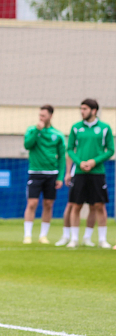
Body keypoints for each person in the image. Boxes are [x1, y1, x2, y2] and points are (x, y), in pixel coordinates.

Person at [66, 98, 114, 249]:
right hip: (79, 172)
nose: (82, 111)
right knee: (76, 205)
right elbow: (69, 149)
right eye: (81, 109)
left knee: (98, 205)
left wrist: (94, 161)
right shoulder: (76, 128)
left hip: (97, 172)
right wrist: (79, 162)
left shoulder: (105, 128)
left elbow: (110, 150)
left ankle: (99, 239)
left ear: (94, 111)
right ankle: (74, 239)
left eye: (85, 109)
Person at [22, 105, 65, 244]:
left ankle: (43, 236)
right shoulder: (32, 130)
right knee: (32, 203)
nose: (41, 118)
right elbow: (27, 145)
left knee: (48, 204)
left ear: (50, 116)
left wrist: (60, 177)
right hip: (35, 173)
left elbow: (62, 157)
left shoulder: (57, 134)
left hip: (51, 174)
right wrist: (37, 131)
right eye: (40, 115)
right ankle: (27, 235)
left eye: (43, 116)